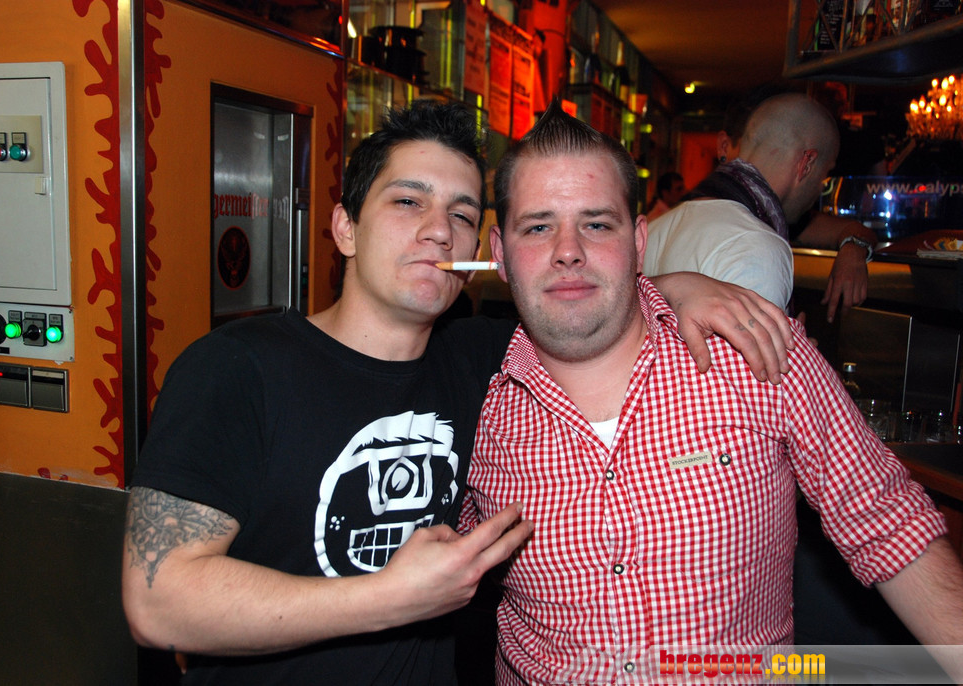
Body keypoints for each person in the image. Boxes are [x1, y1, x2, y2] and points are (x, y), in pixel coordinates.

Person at [121, 100, 794, 684]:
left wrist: (673, 287)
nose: (439, 229)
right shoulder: (237, 367)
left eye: (462, 213)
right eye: (408, 201)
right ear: (345, 228)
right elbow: (158, 602)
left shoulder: (485, 361)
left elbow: (590, 304)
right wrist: (387, 598)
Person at [464, 101, 963, 685]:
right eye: (538, 227)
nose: (568, 249)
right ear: (500, 252)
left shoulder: (756, 352)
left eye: (597, 224)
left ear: (639, 241)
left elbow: (889, 523)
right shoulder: (473, 401)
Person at [716, 87, 878, 322]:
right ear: (724, 147)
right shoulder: (710, 216)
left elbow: (851, 230)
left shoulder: (777, 211)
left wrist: (853, 249)